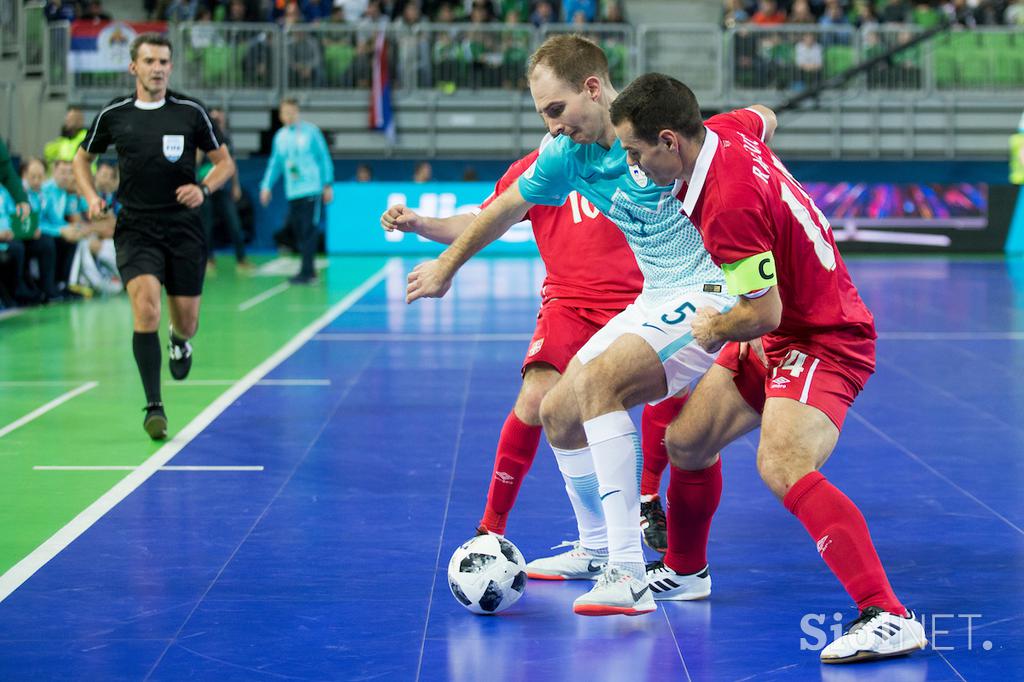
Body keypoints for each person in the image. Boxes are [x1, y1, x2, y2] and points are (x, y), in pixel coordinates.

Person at [406, 35, 732, 617]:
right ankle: (597, 546)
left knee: (613, 393)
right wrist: (446, 266)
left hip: (706, 290)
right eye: (542, 116)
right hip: (649, 295)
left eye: (556, 111)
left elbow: (759, 121)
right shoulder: (564, 156)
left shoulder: (660, 126)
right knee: (557, 409)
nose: (552, 128)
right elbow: (500, 211)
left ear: (592, 88)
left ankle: (629, 572)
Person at [609, 72, 927, 662]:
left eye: (635, 151)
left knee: (782, 463)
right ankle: (684, 571)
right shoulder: (729, 129)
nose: (633, 165)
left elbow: (763, 310)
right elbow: (764, 114)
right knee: (686, 443)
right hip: (779, 332)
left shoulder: (726, 205)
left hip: (824, 336)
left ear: (669, 140)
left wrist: (712, 327)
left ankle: (888, 613)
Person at [382, 142, 682, 560]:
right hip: (568, 304)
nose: (556, 123)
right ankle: (491, 527)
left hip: (641, 300)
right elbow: (479, 220)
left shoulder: (632, 153)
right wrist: (421, 223)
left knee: (674, 400)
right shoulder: (539, 167)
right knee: (537, 397)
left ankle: (648, 494)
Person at [73, 32, 236, 440]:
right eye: (149, 61)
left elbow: (224, 164)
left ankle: (179, 342)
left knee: (187, 321)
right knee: (146, 308)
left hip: (182, 228)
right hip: (136, 228)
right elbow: (81, 158)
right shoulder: (114, 114)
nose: (158, 68)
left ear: (170, 67)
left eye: (164, 62)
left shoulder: (190, 112)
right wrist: (92, 196)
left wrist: (203, 188)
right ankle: (154, 406)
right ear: (134, 67)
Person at [259, 97, 333, 285]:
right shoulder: (280, 137)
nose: (289, 116)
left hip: (311, 189)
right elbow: (275, 164)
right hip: (293, 191)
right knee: (299, 230)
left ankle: (307, 272)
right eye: (285, 113)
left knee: (309, 230)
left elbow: (323, 157)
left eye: (292, 112)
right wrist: (266, 186)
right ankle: (307, 270)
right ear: (281, 115)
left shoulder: (311, 132)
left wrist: (327, 184)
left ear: (297, 112)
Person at [199, 107, 251, 274]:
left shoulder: (226, 139)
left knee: (234, 223)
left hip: (222, 188)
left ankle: (241, 260)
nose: (218, 121)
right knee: (206, 226)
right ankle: (209, 259)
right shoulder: (202, 136)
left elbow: (232, 163)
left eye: (220, 118)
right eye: (214, 118)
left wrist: (236, 186)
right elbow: (196, 161)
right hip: (205, 188)